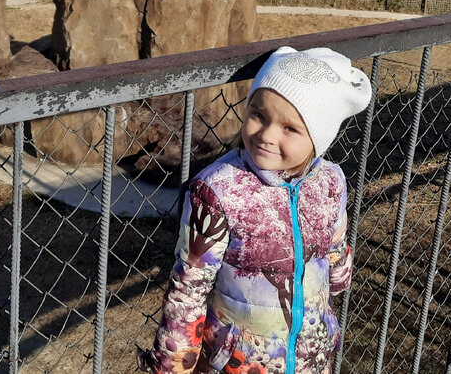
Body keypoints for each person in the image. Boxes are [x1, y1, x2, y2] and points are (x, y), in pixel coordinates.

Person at [138, 46, 372, 374]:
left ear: (319, 137)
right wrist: (172, 365)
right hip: (240, 363)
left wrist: (337, 277)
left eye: (290, 128)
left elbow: (334, 242)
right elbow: (190, 286)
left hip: (311, 358)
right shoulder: (218, 190)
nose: (266, 135)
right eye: (258, 115)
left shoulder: (331, 181)